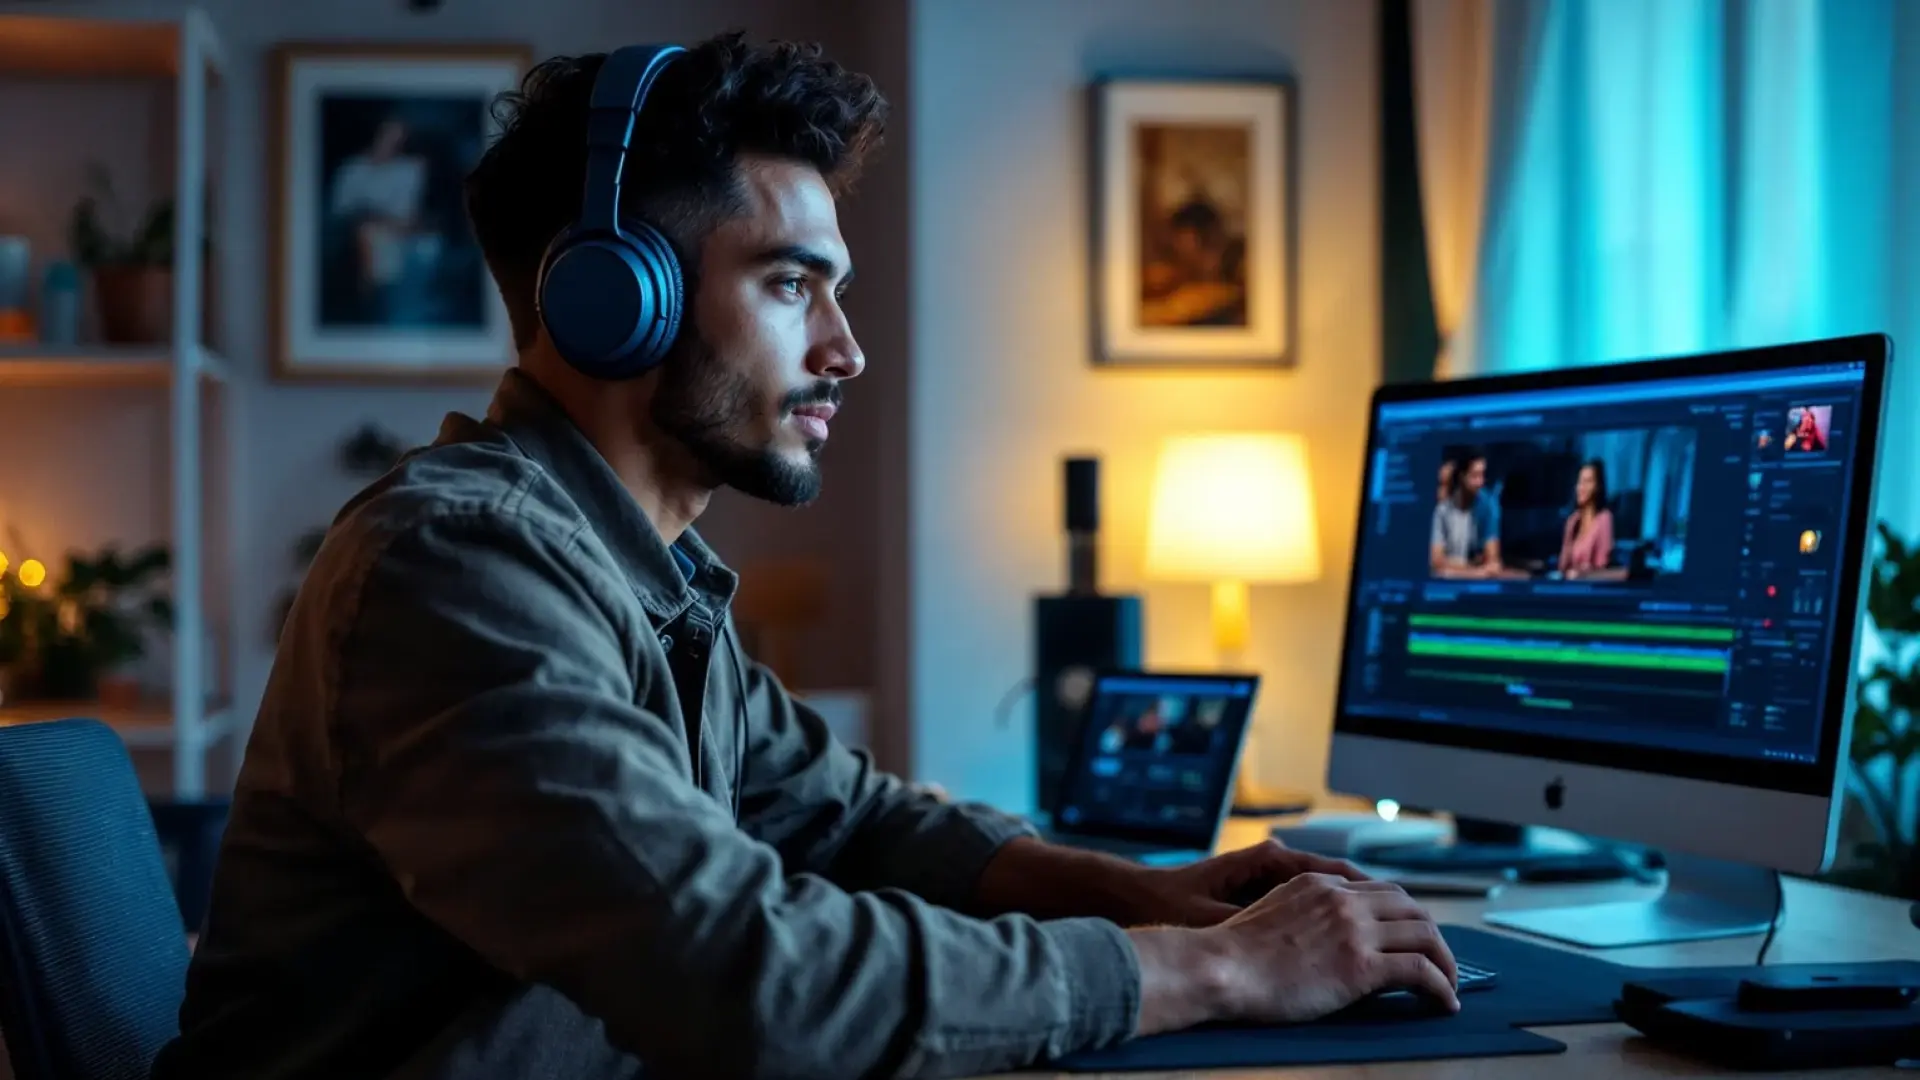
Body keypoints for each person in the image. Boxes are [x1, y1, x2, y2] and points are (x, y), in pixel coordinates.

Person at [152, 34, 1457, 1080]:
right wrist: (1225, 975)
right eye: (791, 285)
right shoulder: (459, 569)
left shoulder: (641, 571)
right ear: (611, 297)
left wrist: (1160, 898)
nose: (847, 349)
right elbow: (751, 983)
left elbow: (851, 818)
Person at [1429, 449, 1503, 577]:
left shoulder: (1486, 504)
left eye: (1482, 475)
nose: (1480, 482)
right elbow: (1436, 560)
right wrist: (1473, 568)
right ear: (1461, 477)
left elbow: (1492, 560)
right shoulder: (1442, 510)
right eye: (1475, 476)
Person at [1558, 459, 1615, 580]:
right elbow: (1563, 565)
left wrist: (1582, 573)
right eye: (1580, 482)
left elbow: (1602, 565)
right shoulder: (1573, 520)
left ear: (1598, 486)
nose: (1581, 487)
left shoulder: (1604, 519)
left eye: (1587, 481)